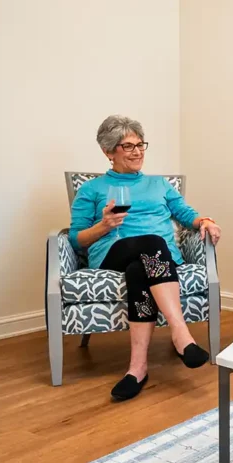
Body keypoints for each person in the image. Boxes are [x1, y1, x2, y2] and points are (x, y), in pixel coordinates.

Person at [69, 115, 222, 401]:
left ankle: (137, 369)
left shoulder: (160, 184)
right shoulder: (91, 189)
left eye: (140, 145)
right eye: (128, 146)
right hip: (111, 253)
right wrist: (103, 226)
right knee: (152, 242)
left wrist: (205, 222)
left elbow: (185, 213)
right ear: (108, 151)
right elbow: (76, 238)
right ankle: (181, 334)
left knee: (140, 269)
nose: (137, 151)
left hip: (159, 260)